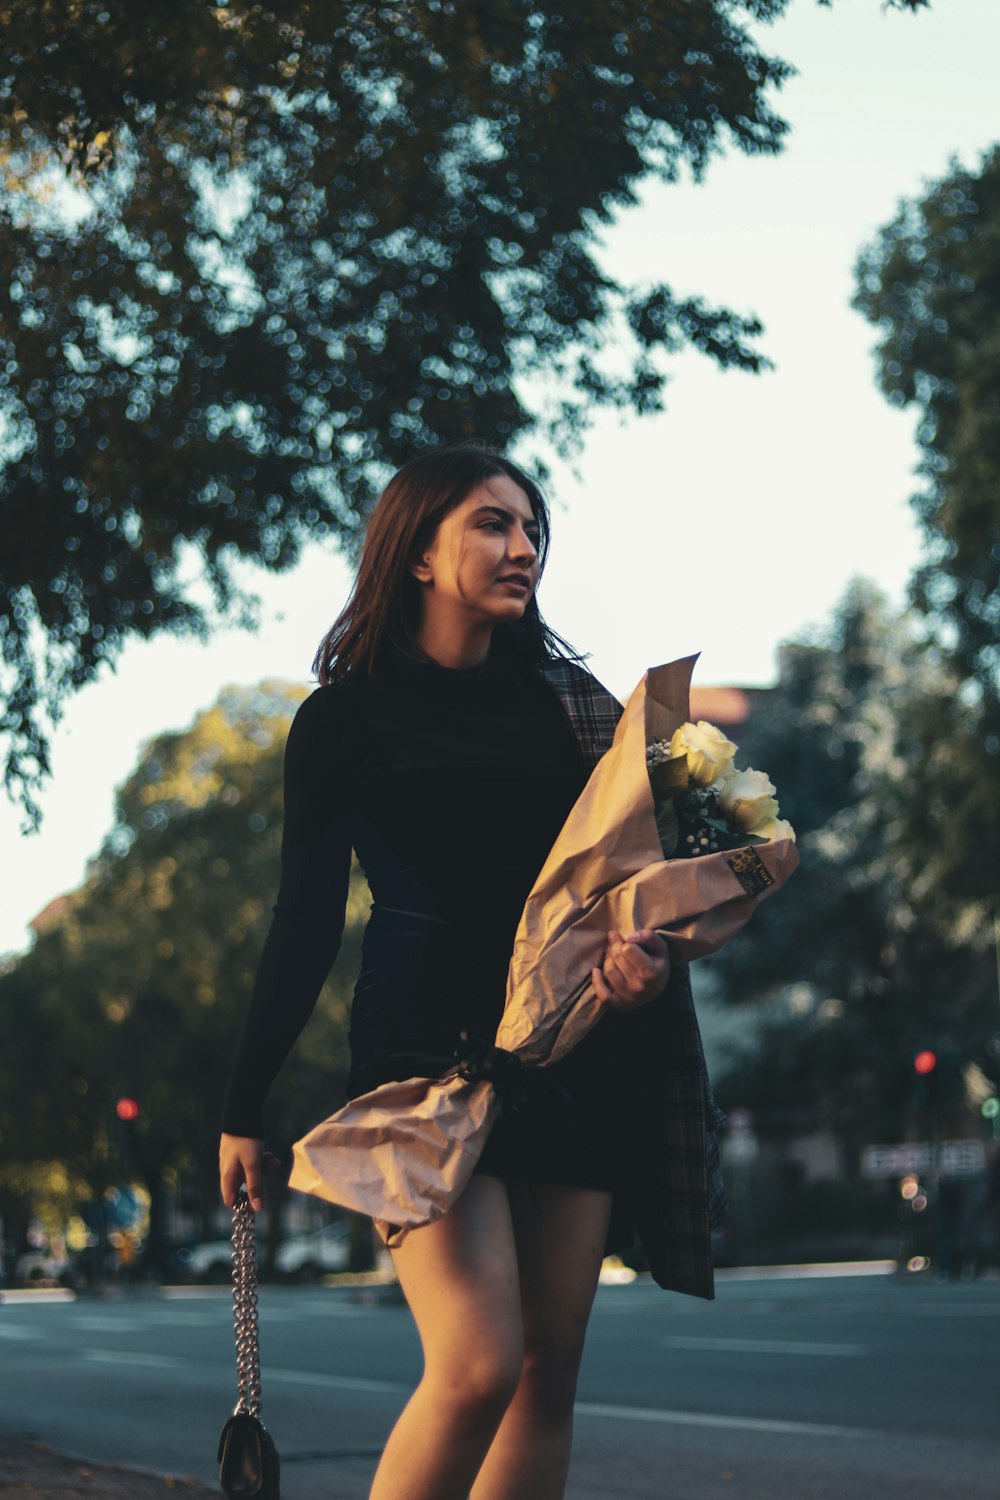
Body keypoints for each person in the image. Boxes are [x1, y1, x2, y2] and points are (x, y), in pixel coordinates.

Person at [218, 442, 714, 1500]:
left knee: (547, 1377)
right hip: (417, 1060)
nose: (521, 546)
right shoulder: (339, 720)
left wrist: (645, 963)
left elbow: (621, 892)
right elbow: (303, 922)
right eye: (492, 524)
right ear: (417, 553)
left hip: (570, 1048)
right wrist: (241, 1107)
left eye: (532, 528)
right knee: (478, 1363)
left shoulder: (569, 708)